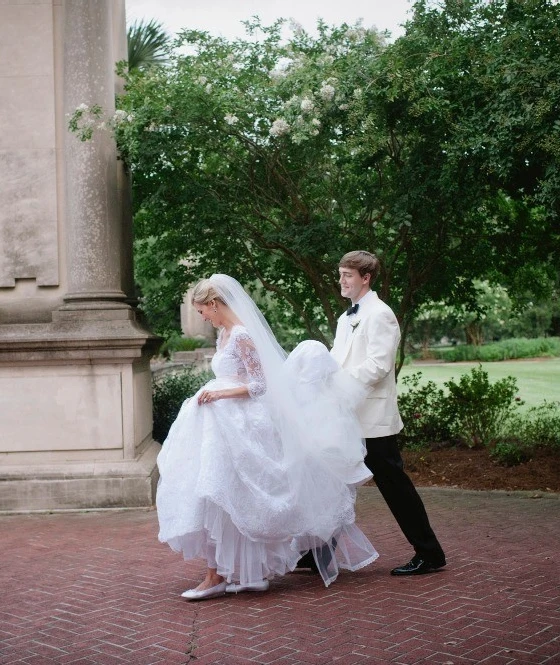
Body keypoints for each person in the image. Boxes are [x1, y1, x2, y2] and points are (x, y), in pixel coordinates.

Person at [156, 274, 378, 601]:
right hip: (221, 423)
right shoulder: (225, 334)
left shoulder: (242, 335)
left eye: (203, 310)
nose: (203, 317)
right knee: (224, 495)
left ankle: (218, 576)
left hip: (241, 421)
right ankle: (245, 574)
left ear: (215, 304)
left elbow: (260, 386)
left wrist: (220, 395)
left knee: (230, 494)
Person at [330, 251, 447, 576]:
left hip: (373, 420)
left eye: (348, 275)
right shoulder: (345, 318)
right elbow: (338, 359)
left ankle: (430, 553)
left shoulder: (381, 314)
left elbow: (379, 365)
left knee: (394, 485)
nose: (342, 281)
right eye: (340, 274)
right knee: (334, 482)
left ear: (365, 278)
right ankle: (317, 555)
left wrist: (342, 388)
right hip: (345, 417)